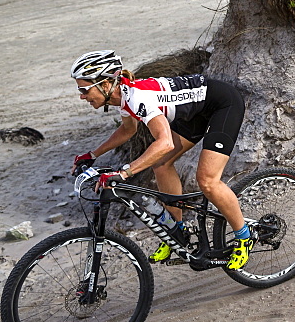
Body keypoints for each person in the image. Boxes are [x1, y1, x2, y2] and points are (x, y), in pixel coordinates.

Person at [69, 50, 253, 269]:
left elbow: (164, 142)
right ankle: (177, 233)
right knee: (161, 165)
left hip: (222, 104)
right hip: (194, 113)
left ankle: (245, 236)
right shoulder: (124, 96)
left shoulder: (136, 97)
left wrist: (125, 172)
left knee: (207, 180)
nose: (82, 96)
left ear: (106, 84)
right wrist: (92, 155)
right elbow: (127, 131)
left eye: (84, 89)